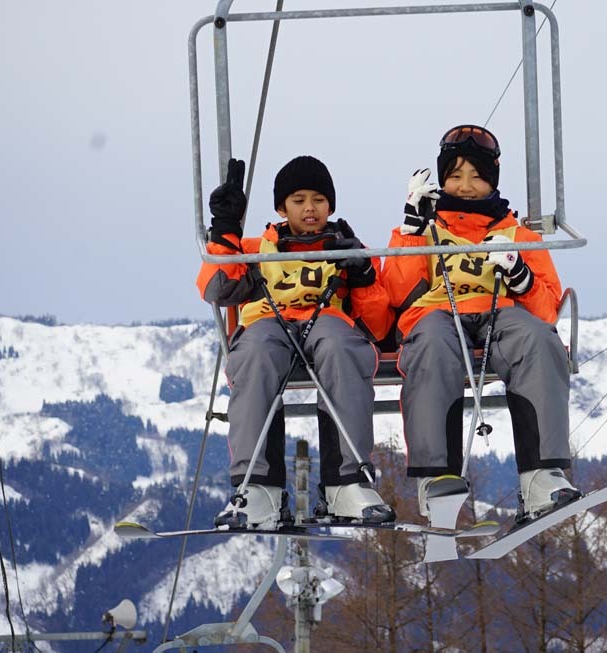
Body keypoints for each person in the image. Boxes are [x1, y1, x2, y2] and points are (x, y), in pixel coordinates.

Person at [382, 125, 582, 522]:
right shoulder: (425, 229)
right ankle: (436, 477)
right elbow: (396, 296)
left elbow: (547, 311)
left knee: (538, 341)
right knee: (431, 346)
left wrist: (520, 276)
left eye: (476, 176)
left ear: (492, 179)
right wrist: (410, 234)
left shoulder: (516, 234)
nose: (465, 186)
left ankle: (541, 475)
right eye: (455, 176)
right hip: (438, 311)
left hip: (500, 313)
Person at [197, 155, 396, 528]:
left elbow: (379, 325)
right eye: (299, 200)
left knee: (342, 348)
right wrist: (224, 232)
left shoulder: (345, 248)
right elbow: (217, 289)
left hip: (328, 323)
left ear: (330, 206)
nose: (309, 209)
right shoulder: (259, 249)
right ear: (282, 207)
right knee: (256, 354)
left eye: (319, 200)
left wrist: (364, 276)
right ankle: (259, 487)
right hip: (270, 321)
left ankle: (346, 482)